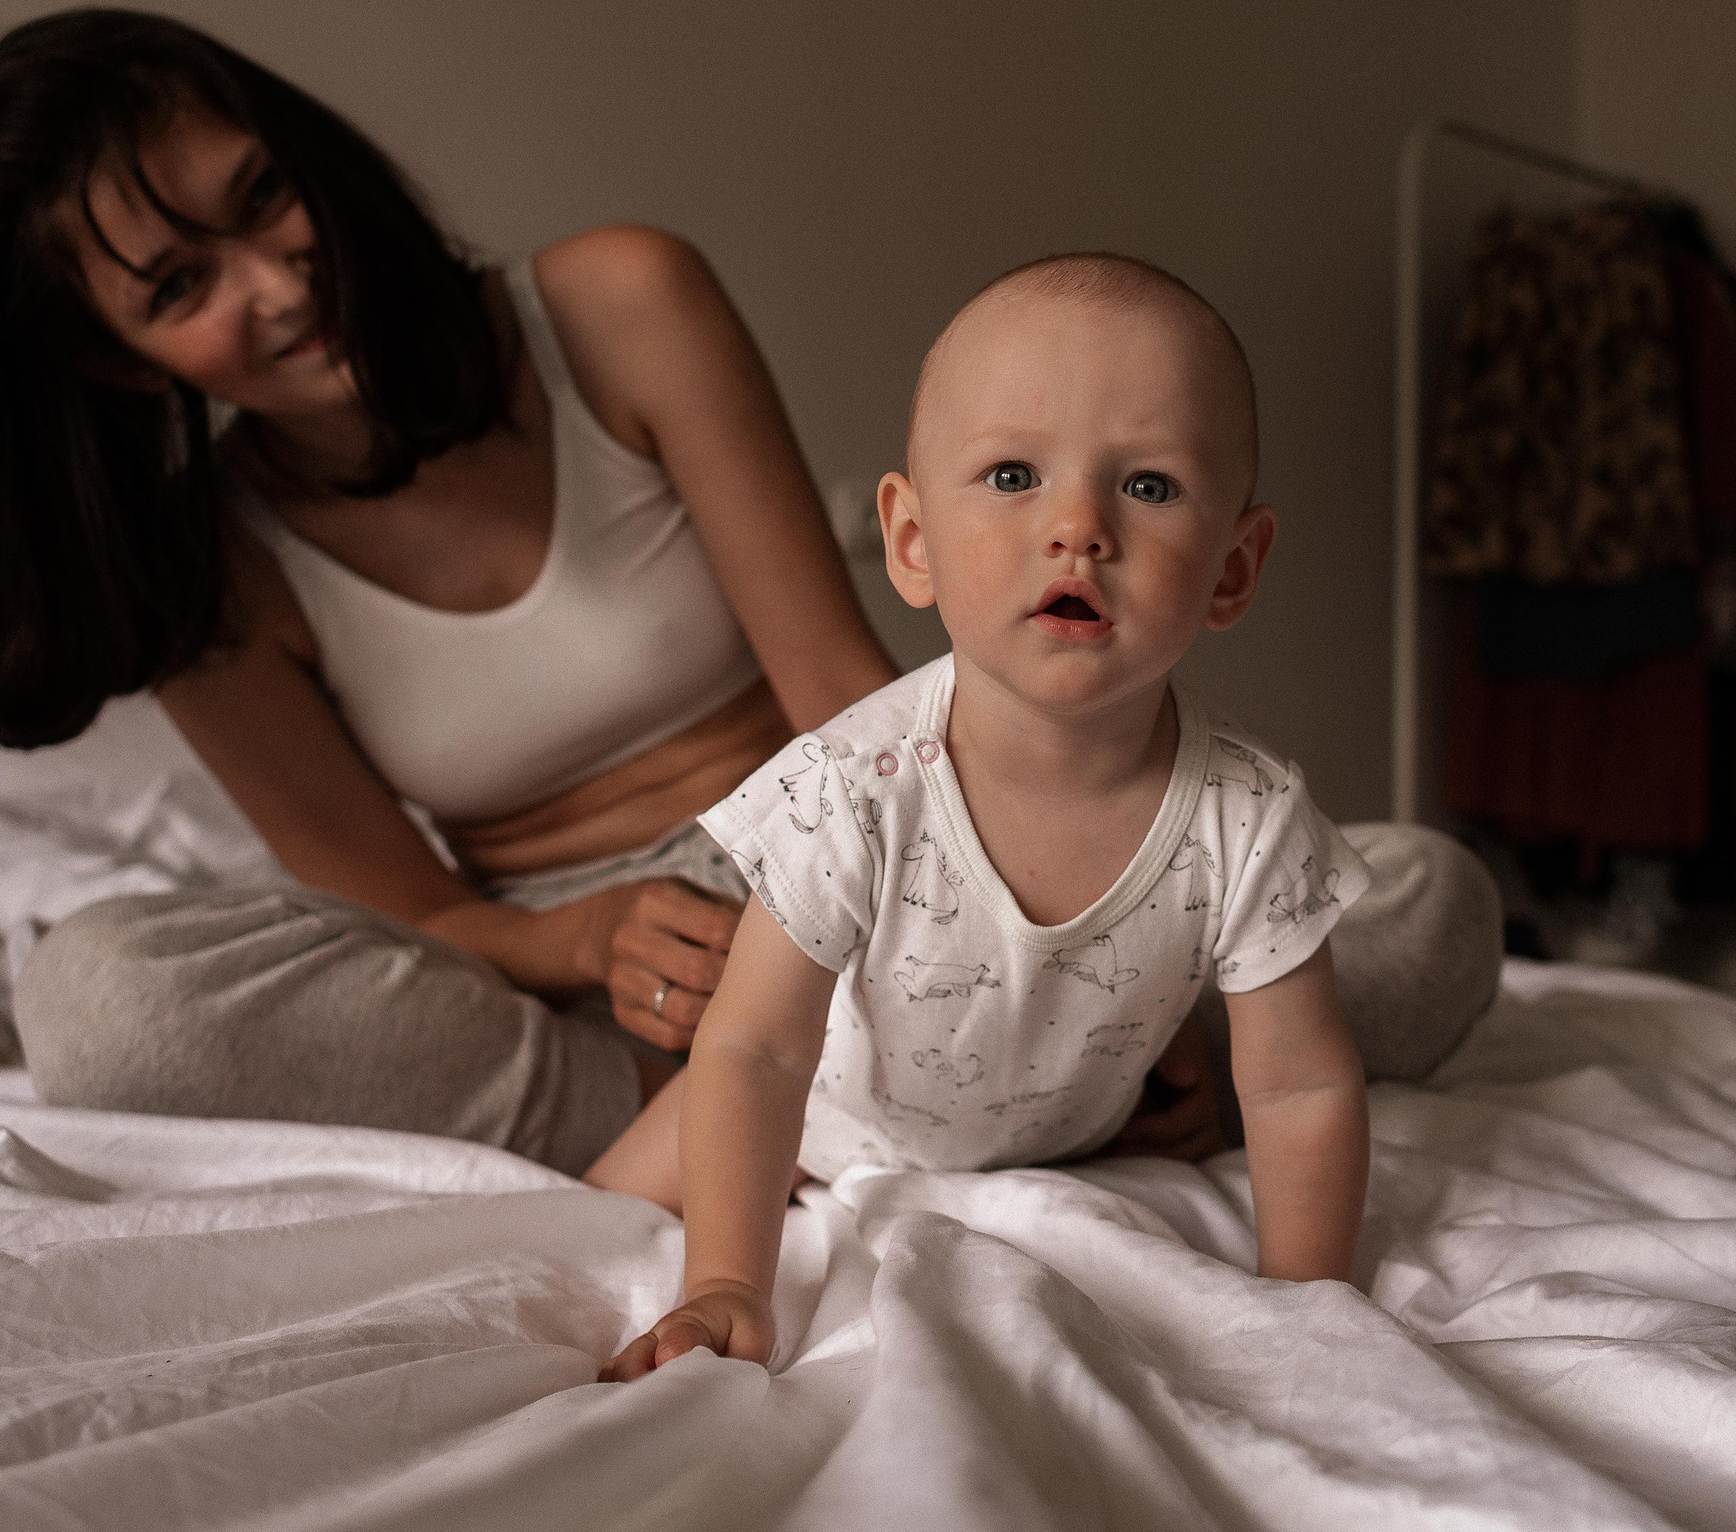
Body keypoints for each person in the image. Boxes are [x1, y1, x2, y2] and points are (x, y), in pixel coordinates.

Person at [0, 10, 1499, 1181]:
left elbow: (840, 682)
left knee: (1424, 900)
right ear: (101, 359)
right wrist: (593, 935)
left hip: (868, 843)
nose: (279, 280)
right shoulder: (197, 571)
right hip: (592, 973)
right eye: (178, 286)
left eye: (263, 196)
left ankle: (1045, 1070)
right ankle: (830, 1108)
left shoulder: (614, 303)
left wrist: (1008, 921)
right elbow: (401, 907)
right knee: (105, 999)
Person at [600, 254, 1421, 1379]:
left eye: (1148, 486)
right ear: (912, 541)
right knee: (594, 1219)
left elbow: (1299, 1083)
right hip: (828, 1113)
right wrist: (728, 1282)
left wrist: (1306, 1299)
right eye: (1012, 475)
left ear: (1233, 568)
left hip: (1067, 1134)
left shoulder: (1248, 814)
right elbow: (753, 1047)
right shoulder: (850, 785)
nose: (1078, 526)